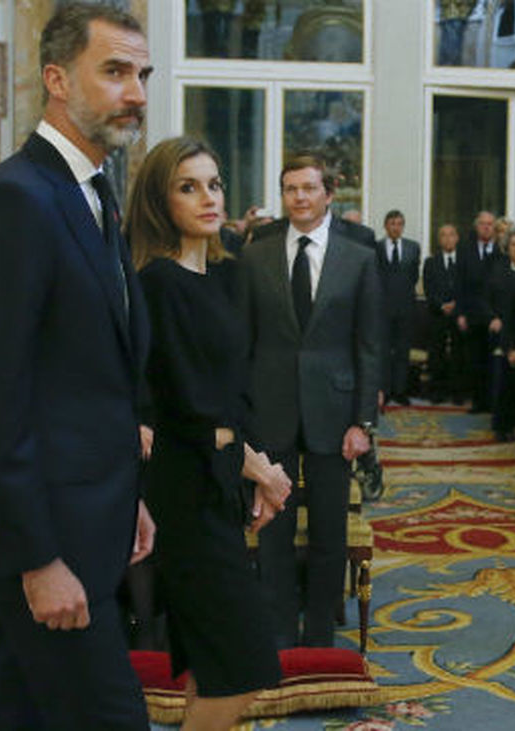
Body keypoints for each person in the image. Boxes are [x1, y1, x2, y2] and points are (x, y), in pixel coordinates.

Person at [0, 4, 157, 726]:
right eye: (116, 72)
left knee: (12, 714)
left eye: (143, 74)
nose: (137, 93)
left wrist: (129, 497)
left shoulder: (90, 193)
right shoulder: (14, 200)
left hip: (87, 521)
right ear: (57, 79)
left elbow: (87, 381)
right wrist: (38, 558)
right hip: (44, 544)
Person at [128, 136, 292, 728]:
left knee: (214, 668)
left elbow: (234, 395)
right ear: (159, 199)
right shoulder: (159, 283)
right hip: (185, 489)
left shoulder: (223, 275)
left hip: (217, 483)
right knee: (245, 667)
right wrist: (261, 470)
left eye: (214, 183)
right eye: (188, 186)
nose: (207, 197)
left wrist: (253, 468)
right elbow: (192, 409)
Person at [239, 154, 382, 649]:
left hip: (335, 415)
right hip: (270, 408)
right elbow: (245, 339)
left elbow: (369, 346)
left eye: (307, 188)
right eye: (290, 189)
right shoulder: (255, 254)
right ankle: (278, 630)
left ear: (328, 194)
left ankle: (319, 633)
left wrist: (363, 421)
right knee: (272, 529)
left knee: (328, 531)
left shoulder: (359, 258)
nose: (298, 197)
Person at [488, 228, 515, 446]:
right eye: (514, 244)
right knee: (503, 383)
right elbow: (494, 302)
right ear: (508, 248)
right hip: (504, 335)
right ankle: (501, 426)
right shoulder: (499, 271)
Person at [376, 210, 421, 405]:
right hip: (382, 308)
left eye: (399, 224)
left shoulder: (413, 247)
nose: (396, 227)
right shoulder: (375, 247)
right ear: (386, 226)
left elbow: (412, 277)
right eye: (392, 223)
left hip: (405, 307)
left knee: (403, 351)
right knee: (383, 351)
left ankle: (400, 391)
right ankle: (384, 391)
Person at [458, 211, 502, 412]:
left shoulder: (502, 251)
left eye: (490, 224)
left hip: (495, 316)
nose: (486, 227)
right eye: (482, 224)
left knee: (494, 361)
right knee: (475, 360)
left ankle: (493, 402)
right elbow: (460, 284)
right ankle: (478, 401)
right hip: (473, 314)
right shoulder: (465, 249)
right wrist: (461, 313)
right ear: (476, 227)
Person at [422, 224, 463, 403]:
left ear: (457, 238)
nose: (448, 239)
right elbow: (428, 289)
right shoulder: (431, 262)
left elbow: (469, 287)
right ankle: (437, 391)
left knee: (459, 354)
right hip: (437, 315)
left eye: (451, 235)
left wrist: (457, 305)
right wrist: (442, 305)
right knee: (436, 354)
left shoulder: (464, 261)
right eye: (444, 235)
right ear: (439, 240)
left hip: (460, 315)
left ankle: (457, 392)